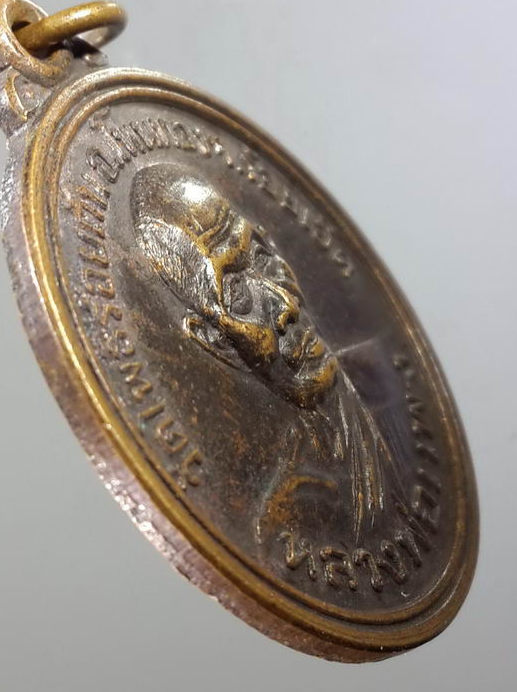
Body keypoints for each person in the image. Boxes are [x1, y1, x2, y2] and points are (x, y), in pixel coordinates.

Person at [131, 163, 405, 546]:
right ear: (215, 340)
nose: (286, 306)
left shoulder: (388, 386)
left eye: (262, 258)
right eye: (238, 294)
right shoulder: (297, 518)